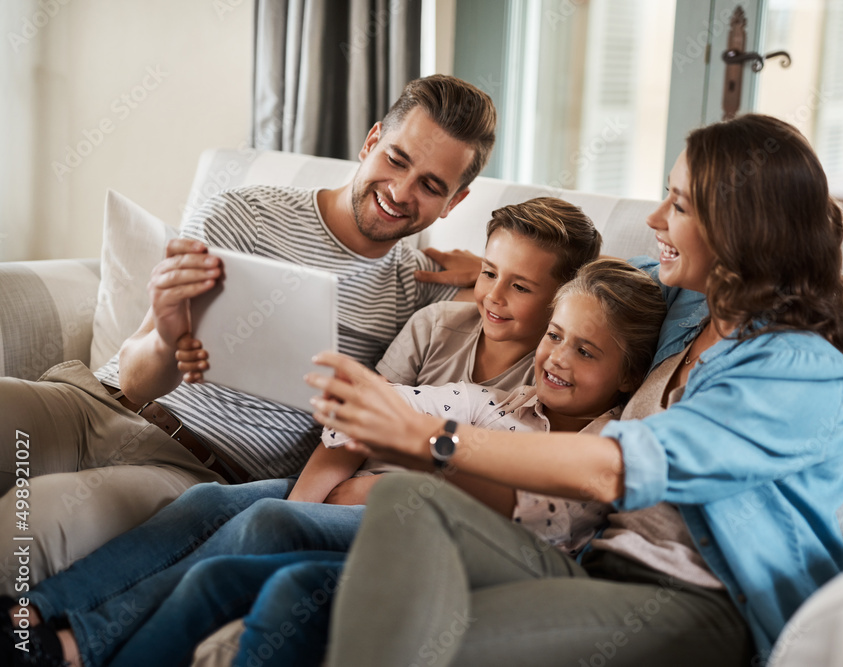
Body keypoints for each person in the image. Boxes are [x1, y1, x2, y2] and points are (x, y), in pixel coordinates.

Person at [306, 114, 843, 666]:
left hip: (701, 603)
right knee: (409, 502)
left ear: (740, 233)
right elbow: (580, 278)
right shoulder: (685, 303)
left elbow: (615, 468)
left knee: (437, 644)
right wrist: (493, 270)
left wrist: (432, 438)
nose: (655, 219)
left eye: (677, 205)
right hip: (592, 565)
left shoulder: (801, 371)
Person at [3, 259, 668, 667]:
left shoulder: (609, 447)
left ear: (627, 372)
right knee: (206, 502)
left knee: (262, 528)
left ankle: (79, 645)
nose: (557, 356)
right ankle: (33, 616)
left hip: (449, 537)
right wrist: (357, 436)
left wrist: (407, 453)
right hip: (384, 491)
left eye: (586, 351)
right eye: (555, 335)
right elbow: (376, 406)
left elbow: (516, 506)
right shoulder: (499, 401)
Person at [0, 74, 497, 594]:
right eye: (397, 160)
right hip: (95, 404)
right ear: (371, 141)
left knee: (24, 527)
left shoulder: (417, 291)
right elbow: (137, 381)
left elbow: (572, 297)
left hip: (192, 470)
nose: (400, 191)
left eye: (431, 186)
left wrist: (492, 269)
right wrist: (169, 337)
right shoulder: (246, 213)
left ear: (453, 203)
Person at [285, 196, 601, 505]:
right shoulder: (434, 324)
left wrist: (368, 492)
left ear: (565, 298)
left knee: (264, 523)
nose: (493, 295)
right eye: (489, 272)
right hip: (335, 483)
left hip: (406, 509)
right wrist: (300, 505)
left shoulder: (552, 380)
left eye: (520, 287)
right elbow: (359, 421)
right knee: (245, 508)